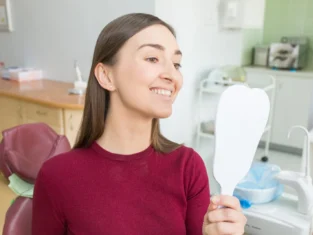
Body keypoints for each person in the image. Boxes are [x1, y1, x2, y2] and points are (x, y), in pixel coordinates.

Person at [32, 13, 247, 235]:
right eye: (152, 59)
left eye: (176, 64)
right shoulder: (56, 176)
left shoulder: (188, 167)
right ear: (106, 76)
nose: (172, 75)